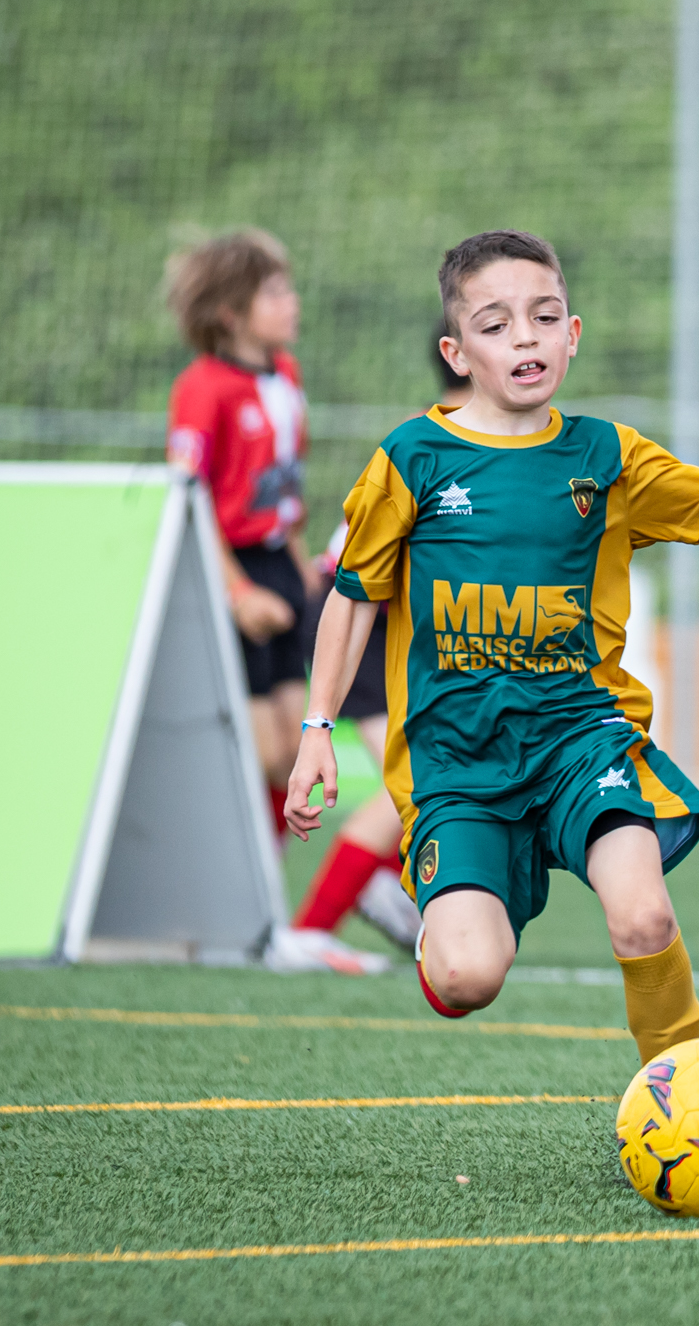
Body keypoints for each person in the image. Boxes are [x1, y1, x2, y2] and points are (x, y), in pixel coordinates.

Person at [287, 229, 699, 1064]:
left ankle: (682, 1089)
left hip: (580, 738)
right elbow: (353, 599)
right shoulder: (411, 458)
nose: (524, 337)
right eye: (496, 324)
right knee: (468, 976)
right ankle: (443, 931)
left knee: (643, 913)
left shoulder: (605, 454)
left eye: (544, 317)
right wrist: (318, 727)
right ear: (456, 353)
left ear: (572, 335)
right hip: (459, 761)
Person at [284, 329, 475, 965]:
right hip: (356, 618)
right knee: (416, 782)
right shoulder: (437, 440)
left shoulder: (480, 435)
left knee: (432, 779)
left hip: (386, 622)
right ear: (463, 356)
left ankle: (381, 889)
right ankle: (313, 927)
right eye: (501, 331)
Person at [165, 229, 321, 840]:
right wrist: (236, 592)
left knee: (294, 756)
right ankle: (211, 871)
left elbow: (284, 484)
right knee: (260, 753)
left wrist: (300, 566)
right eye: (274, 293)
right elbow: (190, 498)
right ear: (231, 313)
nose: (292, 302)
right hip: (228, 569)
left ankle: (267, 892)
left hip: (277, 562)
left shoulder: (287, 373)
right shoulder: (202, 388)